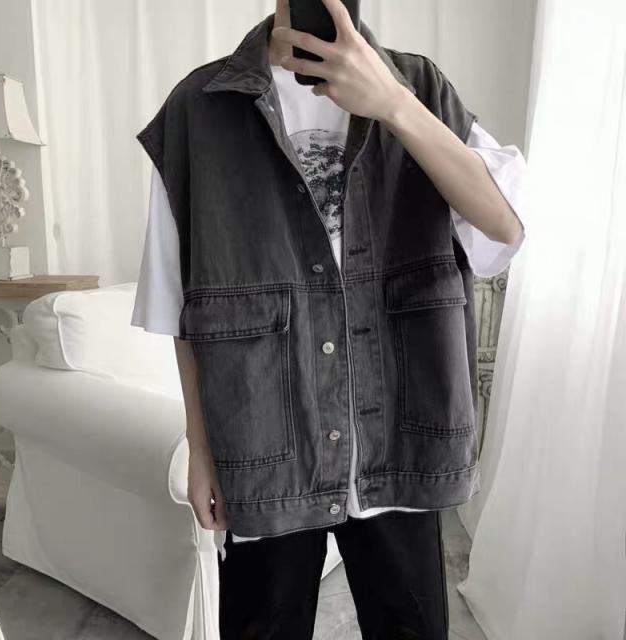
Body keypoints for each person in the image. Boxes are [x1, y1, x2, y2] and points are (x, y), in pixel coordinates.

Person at [131, 0, 527, 637]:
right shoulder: (198, 111)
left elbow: (503, 227)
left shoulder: (419, 86)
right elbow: (184, 303)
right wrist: (201, 450)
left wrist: (393, 104)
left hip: (398, 436)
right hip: (266, 444)